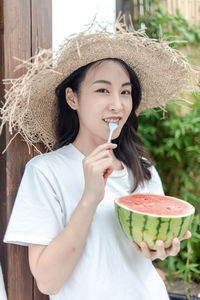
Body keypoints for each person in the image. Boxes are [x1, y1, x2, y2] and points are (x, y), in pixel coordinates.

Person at [1, 20, 199, 300]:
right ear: (72, 98)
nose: (117, 105)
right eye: (102, 90)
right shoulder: (45, 172)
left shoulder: (143, 171)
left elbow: (141, 260)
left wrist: (160, 248)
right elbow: (48, 282)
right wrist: (89, 199)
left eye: (125, 91)